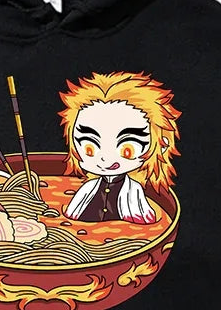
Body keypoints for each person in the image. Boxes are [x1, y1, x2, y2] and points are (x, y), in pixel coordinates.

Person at [58, 71, 181, 224]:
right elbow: (69, 216)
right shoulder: (88, 187)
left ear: (162, 145)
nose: (105, 159)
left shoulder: (134, 190)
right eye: (90, 148)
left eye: (127, 150)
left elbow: (146, 223)